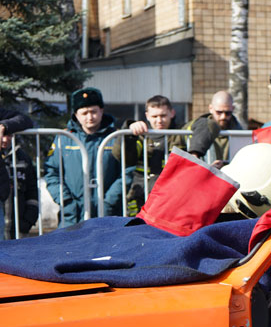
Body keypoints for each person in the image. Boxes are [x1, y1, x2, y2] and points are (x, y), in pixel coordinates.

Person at [43, 87, 127, 226]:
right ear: (76, 114)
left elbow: (126, 171)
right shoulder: (63, 138)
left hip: (109, 214)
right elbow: (51, 172)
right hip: (72, 216)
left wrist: (110, 201)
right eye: (84, 113)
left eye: (93, 111)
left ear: (101, 110)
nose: (90, 117)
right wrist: (66, 201)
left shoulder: (115, 137)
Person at [115, 95, 186, 215]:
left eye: (163, 115)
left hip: (171, 197)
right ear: (147, 116)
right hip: (140, 195)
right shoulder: (141, 136)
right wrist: (128, 131)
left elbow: (202, 125)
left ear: (172, 113)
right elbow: (123, 157)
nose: (159, 120)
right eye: (154, 116)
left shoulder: (181, 133)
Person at [0, 107, 34, 235]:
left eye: (8, 135)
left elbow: (24, 119)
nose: (4, 139)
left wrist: (3, 126)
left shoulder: (21, 157)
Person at [185, 91, 242, 164]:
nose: (223, 117)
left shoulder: (240, 132)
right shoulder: (199, 125)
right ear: (211, 108)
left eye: (228, 113)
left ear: (233, 109)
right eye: (219, 112)